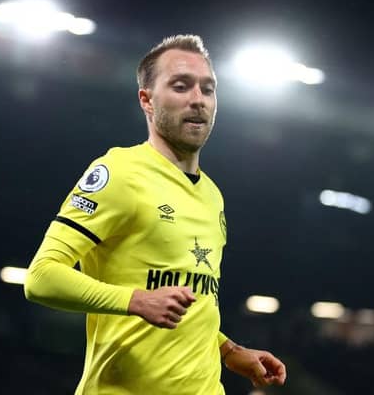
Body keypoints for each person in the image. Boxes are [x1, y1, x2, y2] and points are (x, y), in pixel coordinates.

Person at [24, 34, 286, 394]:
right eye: (181, 86)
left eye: (207, 90)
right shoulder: (119, 172)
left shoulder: (213, 195)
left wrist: (228, 350)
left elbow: (194, 302)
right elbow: (41, 277)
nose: (198, 99)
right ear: (146, 100)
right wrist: (135, 300)